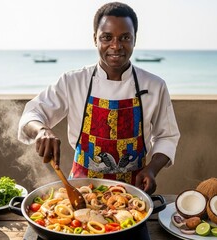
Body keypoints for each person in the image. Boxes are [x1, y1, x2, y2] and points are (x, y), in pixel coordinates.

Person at [18, 2, 180, 195]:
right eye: (107, 37)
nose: (116, 46)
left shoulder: (155, 85)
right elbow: (32, 113)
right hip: (81, 190)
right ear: (95, 39)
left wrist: (151, 169)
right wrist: (42, 130)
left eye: (125, 38)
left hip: (132, 193)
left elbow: (167, 136)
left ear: (135, 40)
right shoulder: (73, 81)